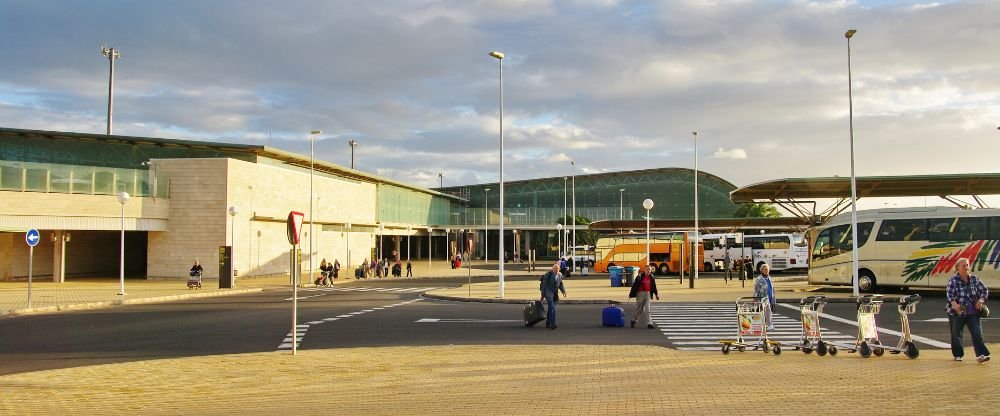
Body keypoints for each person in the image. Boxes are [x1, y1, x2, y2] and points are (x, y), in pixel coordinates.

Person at [947, 257, 991, 363]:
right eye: (963, 265)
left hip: (973, 312)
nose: (966, 267)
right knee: (956, 334)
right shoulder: (953, 280)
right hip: (957, 312)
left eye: (967, 265)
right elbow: (949, 294)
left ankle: (981, 355)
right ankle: (958, 355)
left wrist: (981, 300)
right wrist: (954, 304)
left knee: (977, 333)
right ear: (958, 267)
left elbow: (984, 290)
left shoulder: (974, 279)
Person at [539, 262, 568, 329]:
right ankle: (553, 323)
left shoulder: (560, 275)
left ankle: (548, 323)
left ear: (559, 269)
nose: (557, 269)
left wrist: (564, 292)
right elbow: (544, 285)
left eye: (558, 268)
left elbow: (560, 284)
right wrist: (542, 295)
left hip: (555, 293)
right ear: (553, 269)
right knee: (552, 308)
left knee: (550, 309)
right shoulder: (548, 274)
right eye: (555, 268)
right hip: (548, 292)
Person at [752, 263, 776, 331]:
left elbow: (772, 289)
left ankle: (762, 324)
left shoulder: (769, 278)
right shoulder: (759, 279)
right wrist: (754, 298)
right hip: (763, 298)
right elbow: (755, 290)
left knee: (765, 312)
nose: (767, 271)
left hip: (770, 297)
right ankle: (770, 325)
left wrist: (774, 298)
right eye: (765, 269)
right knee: (768, 311)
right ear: (761, 270)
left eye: (768, 269)